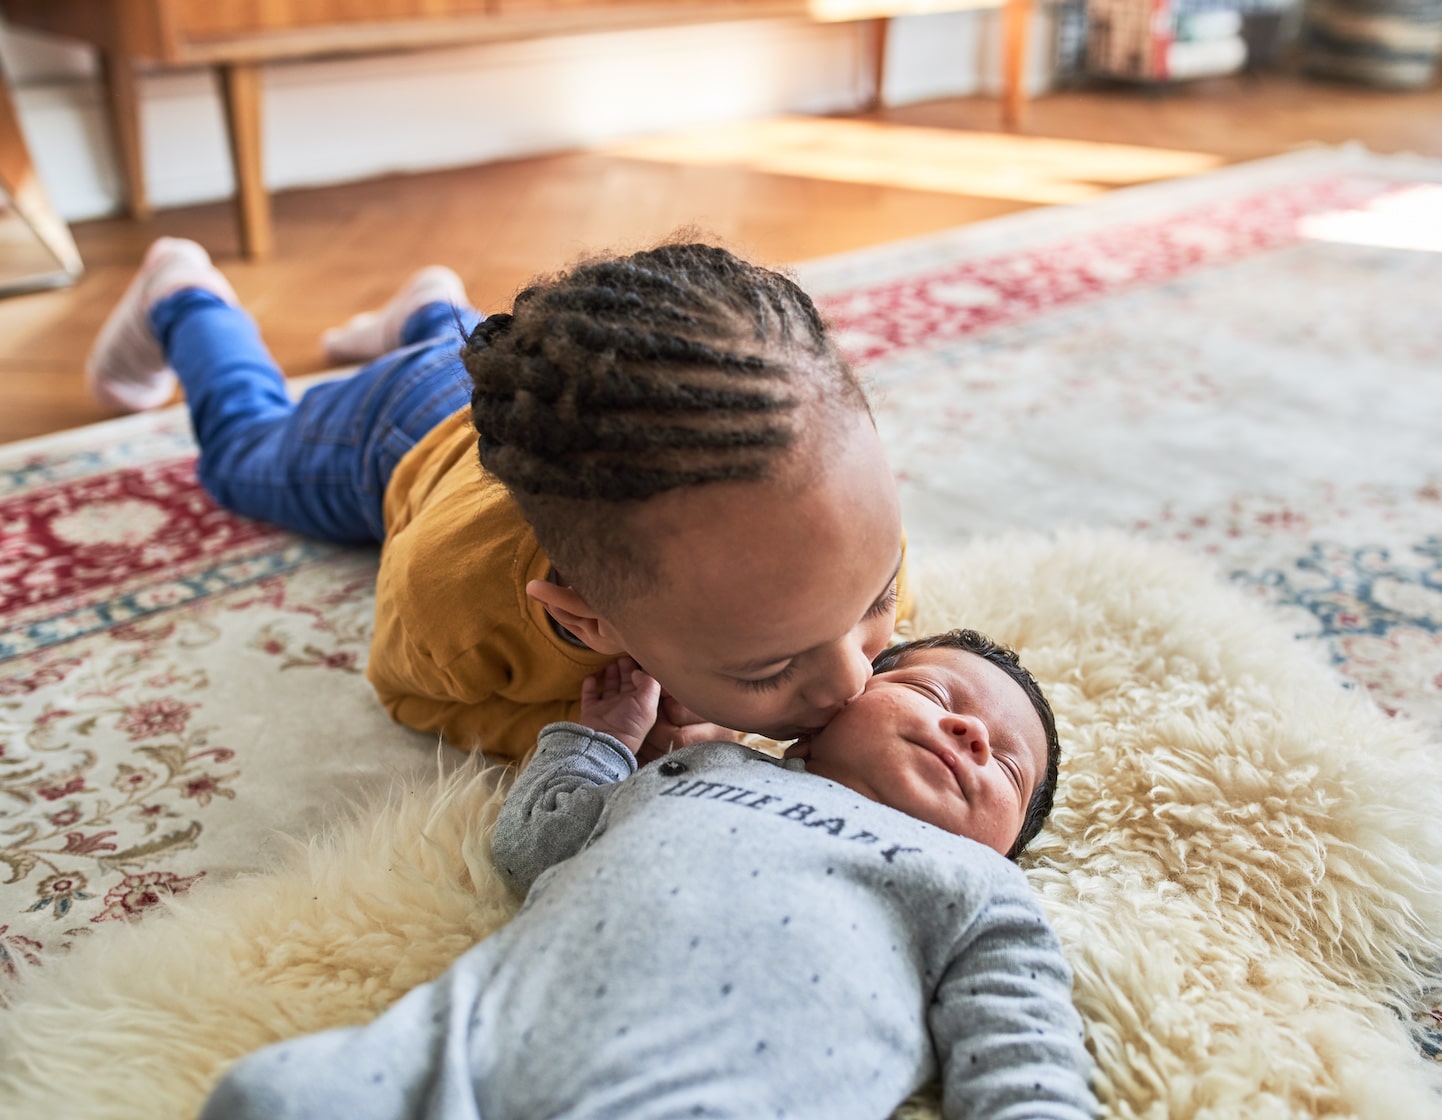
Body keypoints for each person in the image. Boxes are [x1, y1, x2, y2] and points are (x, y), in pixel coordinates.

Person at [197, 629, 1097, 1120]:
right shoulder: (703, 769)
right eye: (938, 697)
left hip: (704, 1094)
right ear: (818, 722)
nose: (971, 735)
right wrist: (609, 740)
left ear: (1004, 843)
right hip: (464, 1055)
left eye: (1008, 768)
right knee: (267, 1094)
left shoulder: (979, 891)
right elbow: (535, 848)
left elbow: (1022, 1054)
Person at [87, 238, 912, 761]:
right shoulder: (452, 597)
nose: (853, 677)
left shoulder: (825, 554)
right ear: (588, 621)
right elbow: (407, 692)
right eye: (771, 666)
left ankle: (435, 313)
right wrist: (582, 730)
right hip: (397, 430)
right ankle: (184, 296)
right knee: (241, 455)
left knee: (481, 350)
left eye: (876, 596)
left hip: (541, 395)